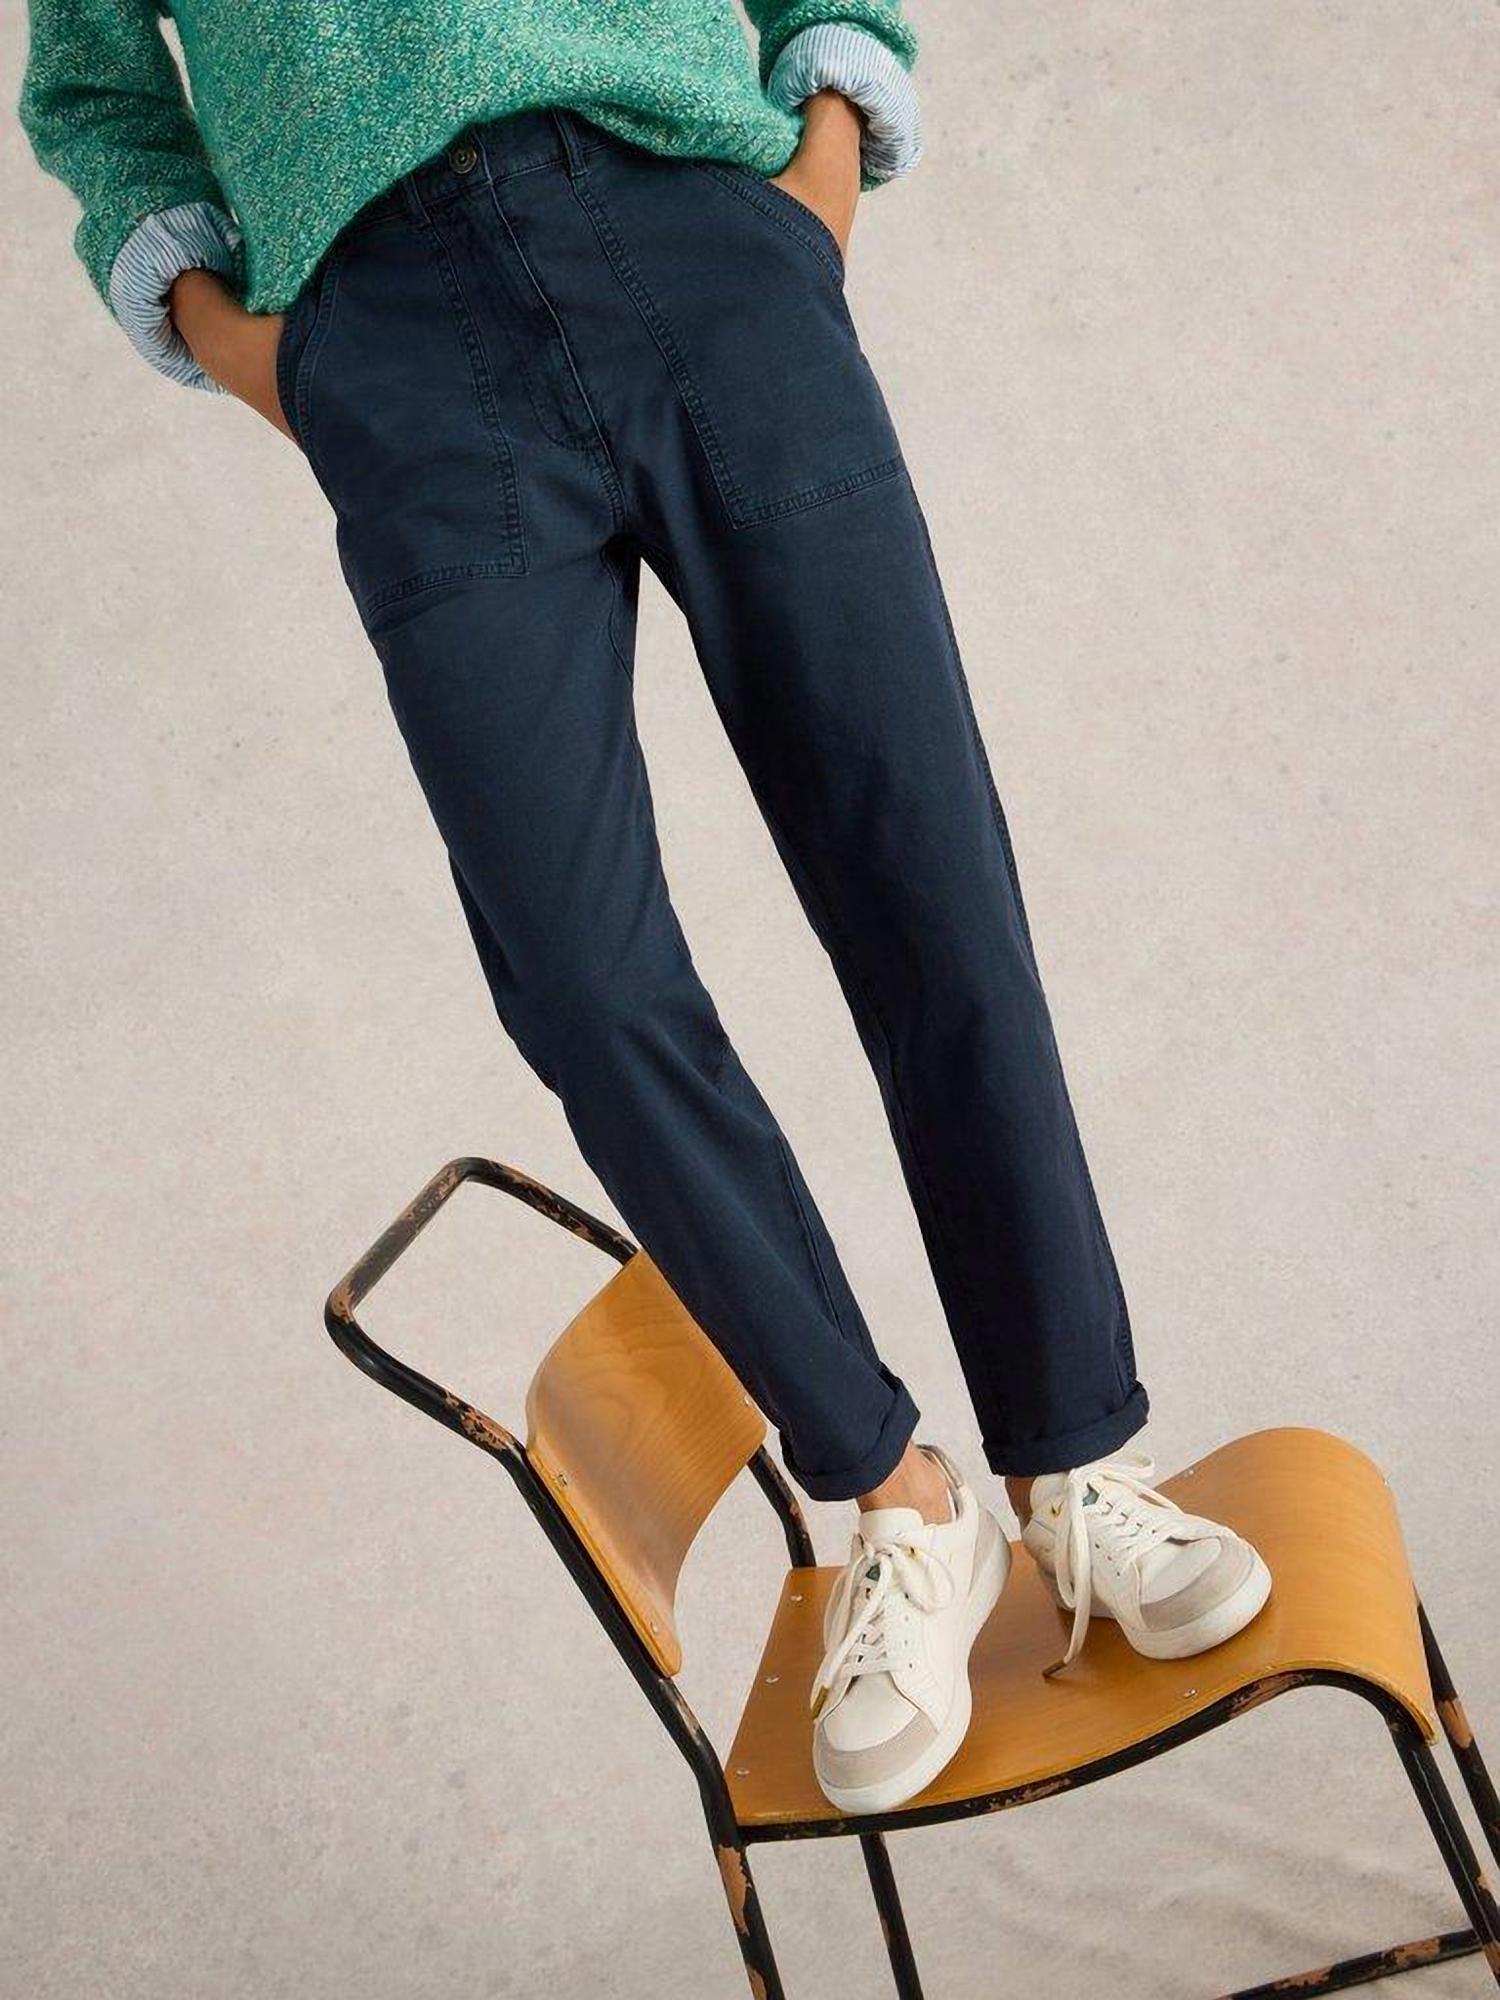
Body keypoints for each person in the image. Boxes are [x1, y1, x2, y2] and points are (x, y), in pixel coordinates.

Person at [19, 0, 1271, 1816]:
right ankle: (897, 1498)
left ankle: (1072, 1464)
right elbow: (93, 85)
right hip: (396, 346)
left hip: (696, 236)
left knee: (924, 877)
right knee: (580, 983)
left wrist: (814, 179)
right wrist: (256, 349)